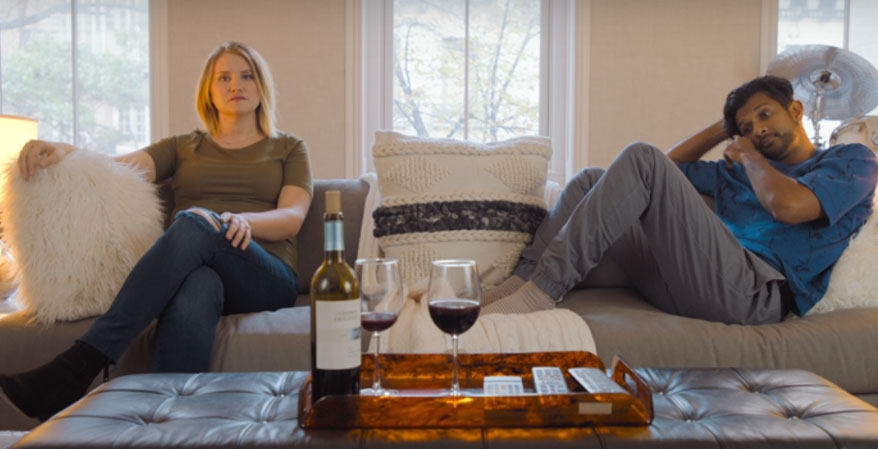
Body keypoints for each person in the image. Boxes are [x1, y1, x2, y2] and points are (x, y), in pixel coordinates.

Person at [0, 41, 313, 421]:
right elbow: (114, 170)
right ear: (209, 92)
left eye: (247, 75)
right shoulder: (183, 147)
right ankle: (171, 423)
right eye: (224, 77)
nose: (237, 85)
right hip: (202, 272)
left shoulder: (288, 147)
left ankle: (82, 362)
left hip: (264, 274)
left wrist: (242, 221)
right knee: (198, 282)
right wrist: (65, 150)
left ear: (261, 85)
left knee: (197, 220)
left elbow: (292, 216)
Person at [483, 75, 878, 325]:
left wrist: (749, 155)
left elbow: (788, 206)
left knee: (641, 154)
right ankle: (522, 281)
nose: (757, 130)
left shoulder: (850, 160)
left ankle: (542, 292)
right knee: (592, 179)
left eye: (764, 115)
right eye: (746, 127)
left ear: (795, 110)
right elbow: (656, 172)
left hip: (755, 293)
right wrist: (721, 130)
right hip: (695, 281)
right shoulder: (736, 172)